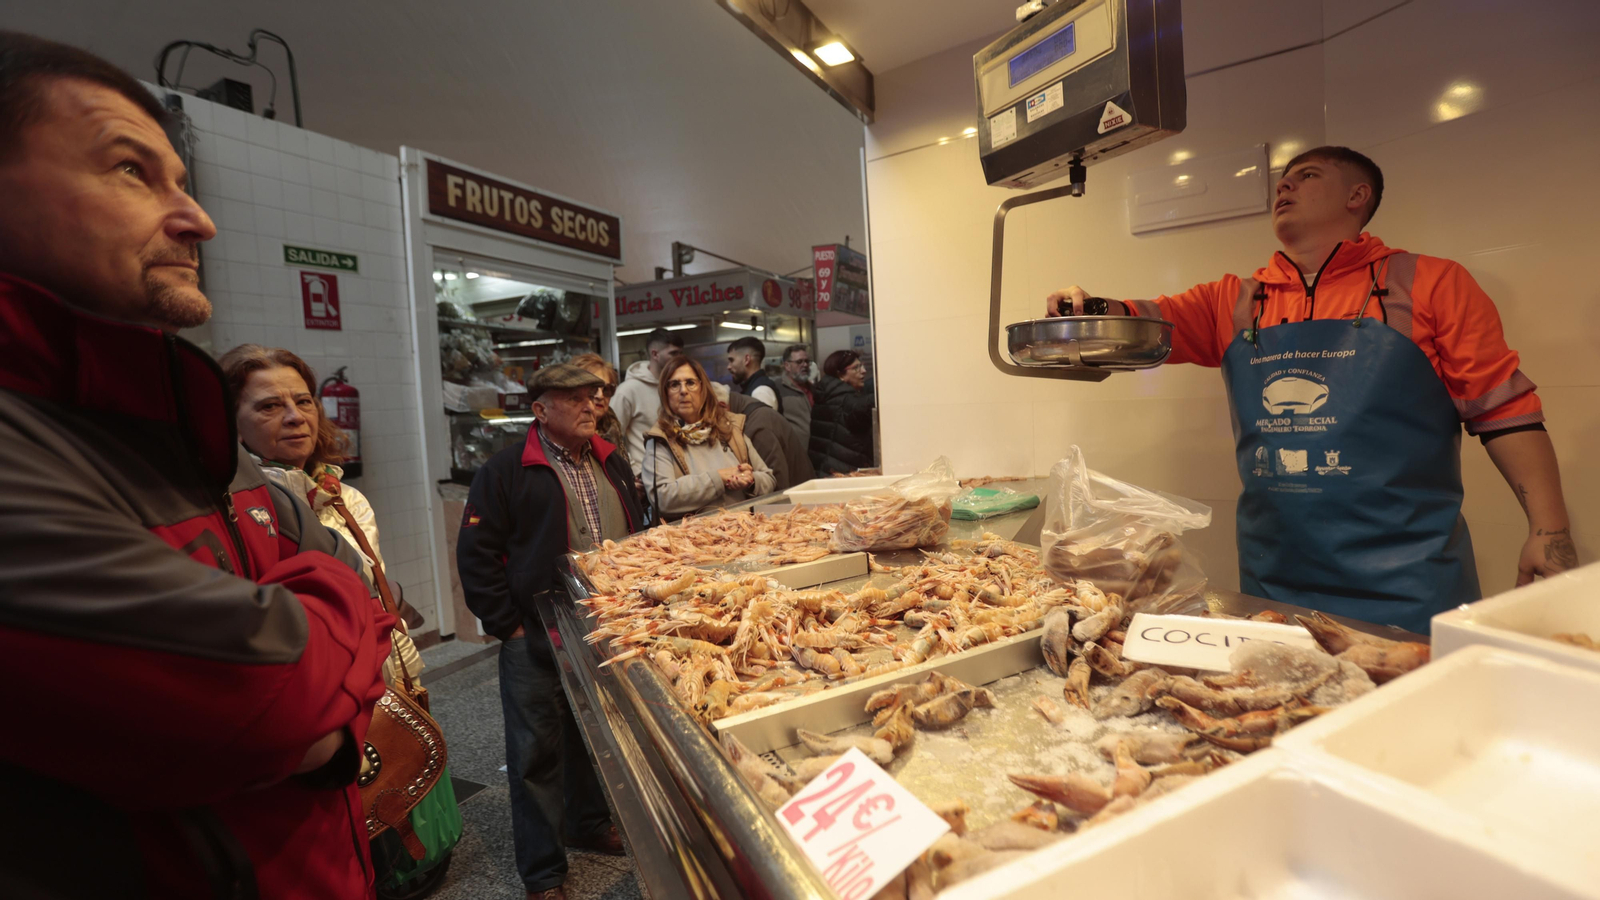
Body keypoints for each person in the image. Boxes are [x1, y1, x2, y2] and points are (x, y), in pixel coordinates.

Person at [0, 32, 392, 899]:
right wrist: (336, 609)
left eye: (182, 179)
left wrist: (315, 628)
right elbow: (277, 701)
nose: (198, 219)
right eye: (131, 171)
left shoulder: (179, 429)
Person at [1044, 145, 1574, 632]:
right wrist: (1088, 308)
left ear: (1357, 196)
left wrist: (1549, 533)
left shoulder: (1433, 283)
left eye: (1307, 175)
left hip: (1410, 581)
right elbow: (1145, 322)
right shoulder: (1234, 300)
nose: (1284, 186)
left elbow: (1505, 412)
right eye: (1282, 181)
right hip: (1275, 578)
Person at [456, 363, 644, 900]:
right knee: (535, 750)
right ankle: (542, 872)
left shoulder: (612, 461)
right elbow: (477, 555)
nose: (593, 405)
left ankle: (586, 822)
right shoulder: (506, 470)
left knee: (592, 737)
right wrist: (508, 626)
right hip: (534, 636)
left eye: (597, 395)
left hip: (601, 629)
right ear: (541, 409)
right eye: (577, 397)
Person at [219, 344, 425, 684]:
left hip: (382, 686)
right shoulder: (232, 508)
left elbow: (373, 600)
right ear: (233, 425)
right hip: (310, 697)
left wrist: (404, 679)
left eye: (303, 402)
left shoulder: (345, 497)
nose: (295, 416)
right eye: (270, 406)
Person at [645, 356, 776, 517]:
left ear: (702, 388)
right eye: (674, 385)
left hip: (745, 532)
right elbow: (662, 498)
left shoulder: (730, 428)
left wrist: (750, 480)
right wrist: (718, 479)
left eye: (690, 383)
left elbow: (769, 480)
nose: (683, 391)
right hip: (695, 538)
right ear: (665, 394)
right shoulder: (661, 440)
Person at [716, 382, 816, 492]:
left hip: (799, 501)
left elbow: (776, 483)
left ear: (722, 406)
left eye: (706, 412)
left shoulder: (756, 425)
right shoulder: (747, 410)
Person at [611, 326, 683, 476]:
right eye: (673, 353)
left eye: (681, 353)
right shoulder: (628, 390)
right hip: (646, 477)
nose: (679, 359)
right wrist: (634, 472)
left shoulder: (677, 387)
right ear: (655, 354)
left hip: (679, 474)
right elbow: (612, 437)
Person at [810, 349, 876, 474]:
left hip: (826, 470)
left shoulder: (828, 395)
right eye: (856, 367)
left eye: (862, 366)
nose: (863, 371)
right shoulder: (845, 400)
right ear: (840, 374)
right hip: (841, 473)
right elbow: (863, 405)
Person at [571, 351, 628, 470]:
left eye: (607, 389)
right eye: (593, 389)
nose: (600, 396)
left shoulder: (613, 428)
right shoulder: (569, 432)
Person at [726, 335, 782, 412]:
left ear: (746, 359)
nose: (728, 367)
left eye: (732, 360)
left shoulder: (761, 391)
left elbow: (764, 423)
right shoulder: (752, 388)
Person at [777, 343, 815, 447]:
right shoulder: (777, 389)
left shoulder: (814, 389)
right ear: (787, 365)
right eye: (799, 362)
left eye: (807, 361)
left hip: (818, 453)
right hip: (795, 454)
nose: (805, 365)